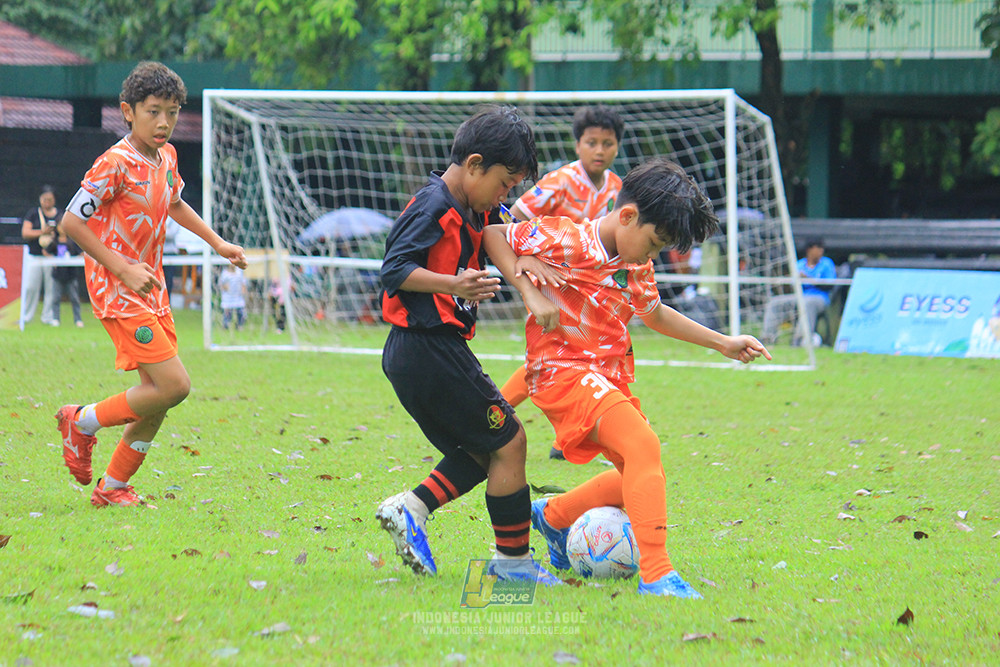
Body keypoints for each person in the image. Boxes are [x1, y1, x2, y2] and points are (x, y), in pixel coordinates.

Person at [482, 158, 771, 597]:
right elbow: (493, 234)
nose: (651, 256)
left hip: (606, 377)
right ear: (629, 216)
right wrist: (528, 288)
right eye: (654, 244)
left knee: (635, 475)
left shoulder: (635, 263)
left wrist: (723, 343)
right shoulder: (566, 236)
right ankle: (656, 574)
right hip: (561, 371)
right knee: (643, 447)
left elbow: (654, 314)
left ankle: (554, 516)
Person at [374, 105, 561, 586]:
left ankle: (412, 508)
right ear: (475, 164)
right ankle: (513, 565)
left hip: (423, 352)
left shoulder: (478, 208)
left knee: (484, 449)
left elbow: (506, 230)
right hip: (427, 347)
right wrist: (453, 284)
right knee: (511, 441)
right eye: (504, 183)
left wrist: (531, 267)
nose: (505, 194)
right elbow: (393, 270)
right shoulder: (434, 205)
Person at [56, 61, 247, 507]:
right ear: (128, 111)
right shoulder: (113, 163)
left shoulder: (168, 157)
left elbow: (175, 203)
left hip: (151, 290)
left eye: (172, 113)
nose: (164, 122)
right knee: (174, 386)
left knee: (158, 398)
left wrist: (218, 243)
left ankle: (113, 487)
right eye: (153, 112)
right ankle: (81, 421)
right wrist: (122, 268)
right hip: (118, 291)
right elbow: (71, 222)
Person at [503, 105, 626, 459]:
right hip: (553, 284)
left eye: (607, 143)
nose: (599, 150)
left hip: (592, 291)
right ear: (577, 145)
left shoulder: (617, 188)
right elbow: (512, 217)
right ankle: (494, 411)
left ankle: (563, 436)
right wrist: (526, 257)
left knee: (577, 358)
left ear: (617, 147)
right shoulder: (560, 181)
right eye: (591, 143)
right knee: (556, 357)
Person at [760, 238, 837, 346]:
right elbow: (791, 287)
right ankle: (767, 338)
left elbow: (830, 285)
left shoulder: (826, 263)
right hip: (799, 296)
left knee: (808, 303)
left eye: (822, 249)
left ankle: (800, 339)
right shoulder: (799, 264)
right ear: (809, 250)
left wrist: (809, 280)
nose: (821, 251)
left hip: (819, 298)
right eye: (818, 248)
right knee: (775, 302)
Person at [20, 185, 61, 326]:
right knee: (31, 286)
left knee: (51, 288)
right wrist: (42, 232)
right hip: (34, 256)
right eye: (44, 199)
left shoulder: (59, 215)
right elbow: (25, 233)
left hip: (51, 257)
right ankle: (26, 315)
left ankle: (48, 317)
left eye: (50, 199)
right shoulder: (33, 214)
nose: (47, 202)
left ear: (54, 200)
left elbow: (64, 233)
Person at [49, 220, 85, 327]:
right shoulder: (54, 241)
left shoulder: (73, 241)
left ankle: (78, 320)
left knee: (74, 298)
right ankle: (55, 319)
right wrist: (53, 260)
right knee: (56, 297)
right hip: (58, 275)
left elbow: (81, 253)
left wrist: (75, 259)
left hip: (71, 274)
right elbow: (46, 251)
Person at [218, 264, 248, 330]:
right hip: (228, 297)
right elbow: (221, 284)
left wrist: (243, 291)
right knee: (227, 313)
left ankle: (239, 325)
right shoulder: (225, 274)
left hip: (238, 297)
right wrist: (225, 287)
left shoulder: (239, 272)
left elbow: (243, 283)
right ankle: (226, 325)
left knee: (241, 312)